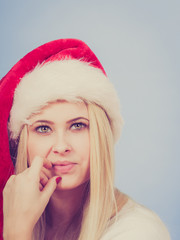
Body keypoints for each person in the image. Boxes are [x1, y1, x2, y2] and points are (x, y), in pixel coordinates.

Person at [0, 39, 171, 240]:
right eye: (43, 128)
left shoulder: (140, 232)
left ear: (101, 135)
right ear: (21, 143)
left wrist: (16, 231)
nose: (61, 146)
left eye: (78, 125)